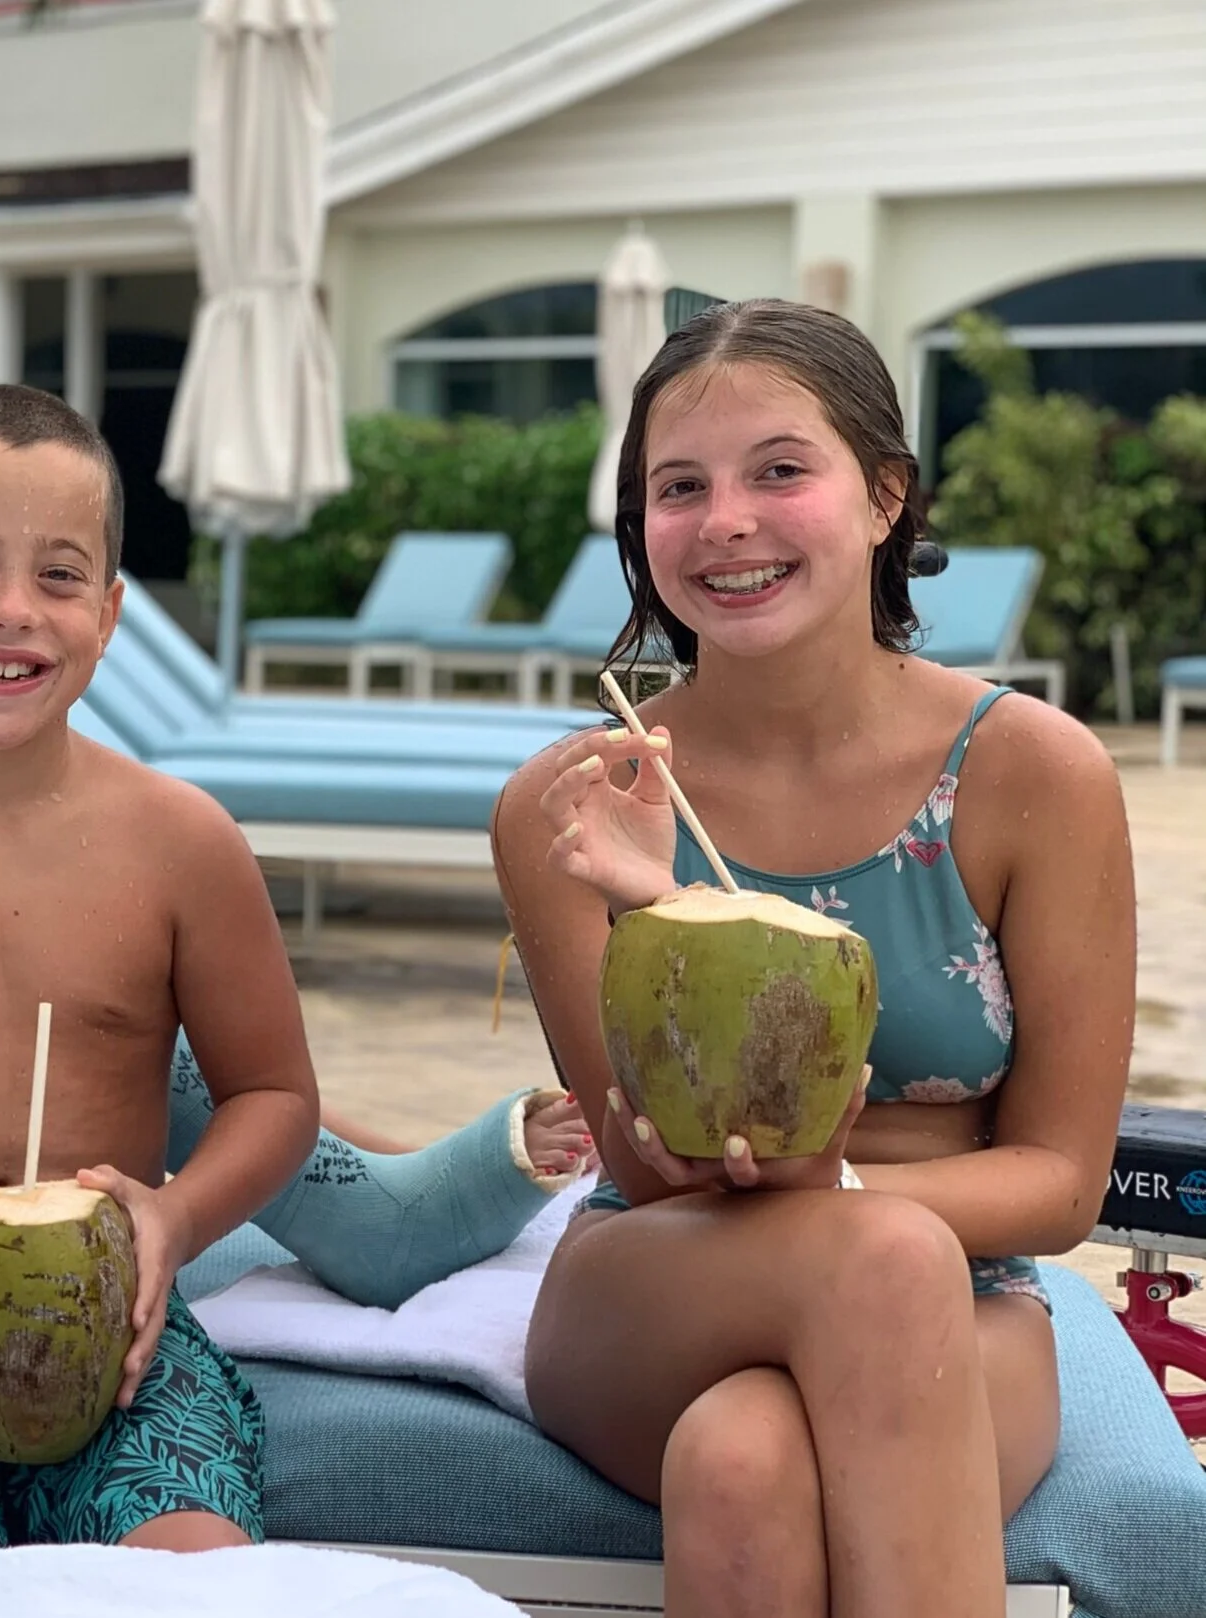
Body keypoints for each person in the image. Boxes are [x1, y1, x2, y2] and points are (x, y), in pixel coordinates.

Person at [0, 384, 595, 1570]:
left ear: (109, 612)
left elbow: (271, 1096)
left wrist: (176, 1220)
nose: (10, 609)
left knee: (192, 1565)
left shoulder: (181, 843)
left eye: (58, 575)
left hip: (110, 1314)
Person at [496, 300, 1131, 1615]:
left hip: (966, 1284)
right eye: (680, 487)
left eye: (779, 470)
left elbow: (1063, 1183)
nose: (726, 521)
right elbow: (639, 1167)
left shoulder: (1032, 774)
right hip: (661, 1272)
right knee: (880, 1257)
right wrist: (655, 907)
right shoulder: (581, 803)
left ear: (886, 494)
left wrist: (834, 1187)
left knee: (746, 1461)